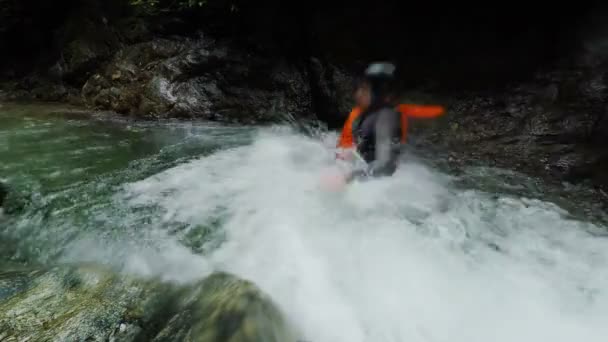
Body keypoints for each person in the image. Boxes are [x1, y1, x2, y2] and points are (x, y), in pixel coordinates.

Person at [334, 62, 445, 183]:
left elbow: (385, 165)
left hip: (382, 176)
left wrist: (351, 177)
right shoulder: (357, 115)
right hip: (370, 171)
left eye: (364, 89)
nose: (358, 94)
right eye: (359, 89)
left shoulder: (390, 115)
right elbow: (344, 149)